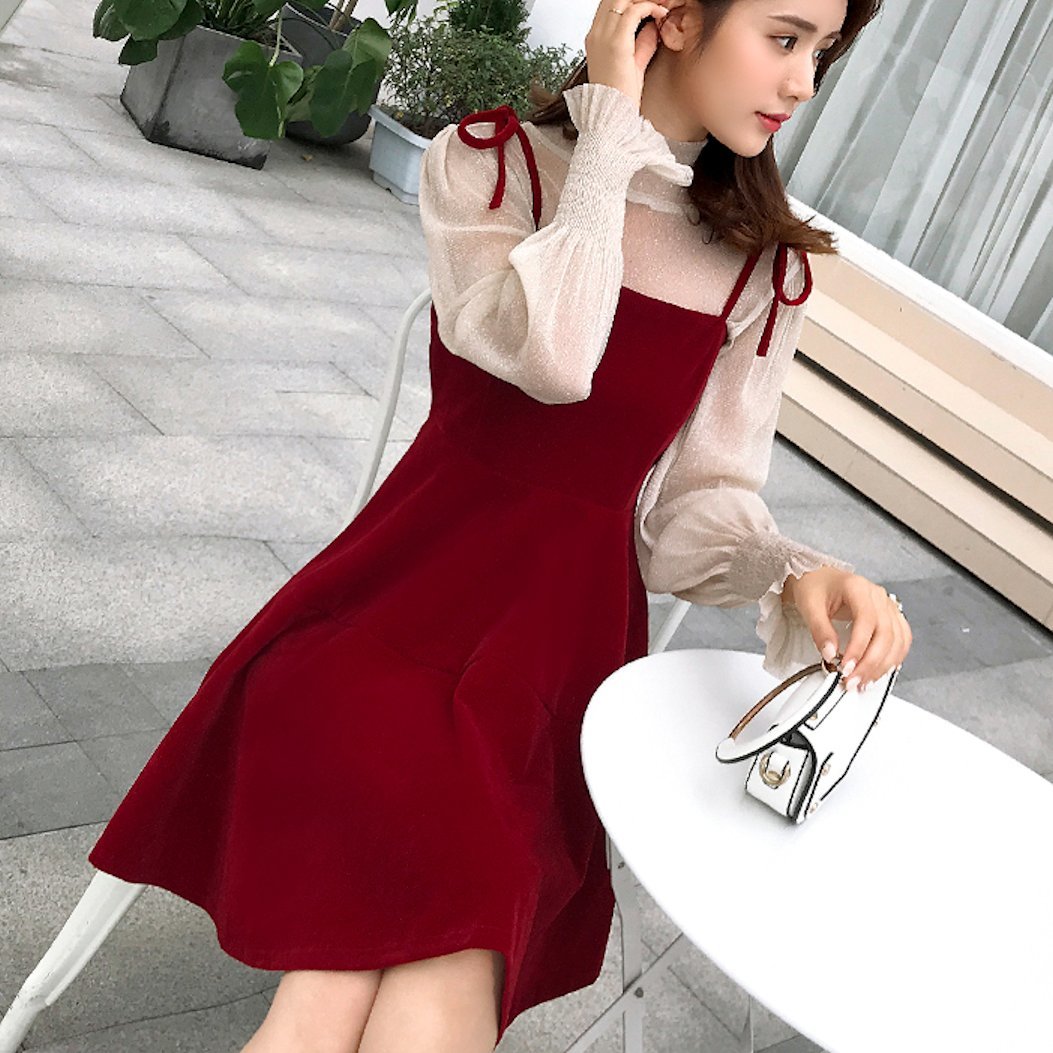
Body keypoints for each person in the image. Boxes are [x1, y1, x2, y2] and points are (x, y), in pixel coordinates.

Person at [83, 0, 913, 1050]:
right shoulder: (490, 166)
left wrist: (795, 571)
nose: (803, 84)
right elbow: (553, 359)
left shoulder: (762, 269)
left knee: (356, 985)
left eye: (822, 54)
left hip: (550, 672)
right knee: (406, 934)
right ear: (671, 19)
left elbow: (688, 510)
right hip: (383, 619)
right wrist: (608, 140)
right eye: (785, 40)